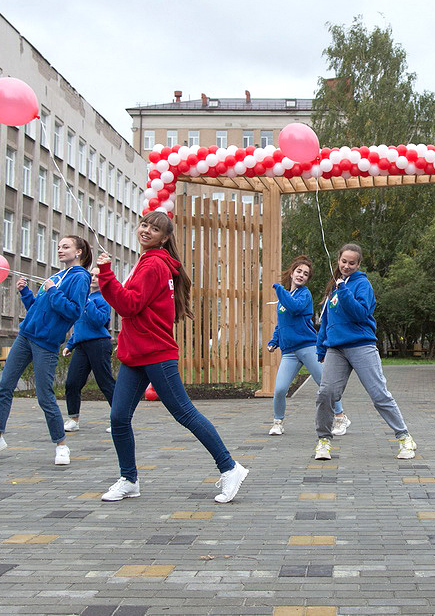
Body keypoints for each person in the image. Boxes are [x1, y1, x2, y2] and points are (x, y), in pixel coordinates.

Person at [96, 211, 247, 503]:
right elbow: (138, 308)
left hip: (156, 353)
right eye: (144, 225)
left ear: (165, 238)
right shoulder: (148, 262)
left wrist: (106, 275)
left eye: (155, 229)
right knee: (118, 417)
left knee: (184, 412)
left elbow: (129, 305)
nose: (146, 231)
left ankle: (230, 468)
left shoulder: (154, 264)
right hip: (137, 353)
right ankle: (129, 479)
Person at [0, 236, 92, 466]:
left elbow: (73, 311)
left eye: (65, 247)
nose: (60, 250)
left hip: (46, 343)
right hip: (26, 336)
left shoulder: (80, 278)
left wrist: (53, 291)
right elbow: (39, 308)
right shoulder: (56, 276)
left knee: (45, 395)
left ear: (78, 252)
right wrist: (26, 293)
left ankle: (61, 445)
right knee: (4, 387)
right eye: (58, 246)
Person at [313, 243, 416, 461]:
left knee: (379, 394)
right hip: (336, 349)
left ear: (358, 264)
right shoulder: (334, 286)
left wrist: (344, 291)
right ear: (338, 260)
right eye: (343, 261)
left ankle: (404, 437)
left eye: (352, 263)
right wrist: (321, 348)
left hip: (361, 346)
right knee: (326, 393)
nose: (346, 266)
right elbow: (327, 322)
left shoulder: (362, 285)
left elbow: (360, 314)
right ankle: (323, 440)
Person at [267, 255, 348, 436]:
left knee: (324, 384)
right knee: (280, 389)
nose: (301, 275)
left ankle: (340, 417)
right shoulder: (285, 297)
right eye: (299, 271)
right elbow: (281, 324)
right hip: (289, 352)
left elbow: (294, 308)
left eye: (305, 274)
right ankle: (278, 422)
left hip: (308, 347)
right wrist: (274, 342)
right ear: (292, 272)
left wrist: (280, 290)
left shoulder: (304, 294)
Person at [62, 274, 116, 434]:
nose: (93, 278)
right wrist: (70, 345)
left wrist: (87, 302)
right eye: (91, 275)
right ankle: (73, 419)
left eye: (97, 275)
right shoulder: (84, 298)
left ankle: (119, 420)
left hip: (99, 343)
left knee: (105, 383)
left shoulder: (104, 298)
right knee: (72, 383)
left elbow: (100, 320)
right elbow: (79, 325)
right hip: (81, 346)